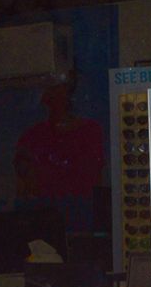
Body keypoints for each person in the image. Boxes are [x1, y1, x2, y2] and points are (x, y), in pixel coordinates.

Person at [14, 70, 105, 200]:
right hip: (47, 211)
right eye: (51, 88)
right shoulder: (31, 137)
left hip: (83, 209)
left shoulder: (90, 131)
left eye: (61, 88)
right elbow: (24, 188)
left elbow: (97, 179)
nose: (56, 94)